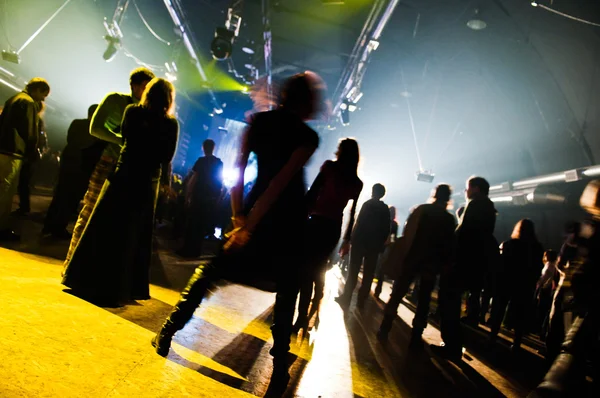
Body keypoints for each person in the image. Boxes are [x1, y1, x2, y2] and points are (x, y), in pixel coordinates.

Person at [151, 72, 325, 391]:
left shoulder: (258, 123)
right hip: (287, 220)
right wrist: (250, 221)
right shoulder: (308, 137)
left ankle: (167, 331)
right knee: (286, 290)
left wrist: (240, 218)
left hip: (254, 210)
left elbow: (240, 169)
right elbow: (282, 182)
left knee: (212, 272)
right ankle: (279, 367)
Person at [62, 78, 179, 305]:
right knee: (133, 235)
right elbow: (166, 157)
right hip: (146, 182)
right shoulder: (170, 124)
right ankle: (123, 289)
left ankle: (86, 279)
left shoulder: (132, 111)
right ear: (169, 99)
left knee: (105, 227)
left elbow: (125, 138)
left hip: (122, 175)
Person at [64, 67, 155, 265]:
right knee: (89, 211)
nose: (148, 92)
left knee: (112, 221)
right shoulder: (115, 100)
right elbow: (95, 128)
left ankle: (90, 268)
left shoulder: (147, 111)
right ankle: (71, 264)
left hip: (129, 169)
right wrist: (123, 141)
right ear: (134, 85)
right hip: (108, 163)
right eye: (145, 87)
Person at [294, 138, 363, 333]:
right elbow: (352, 212)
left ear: (340, 151)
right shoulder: (356, 182)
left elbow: (313, 191)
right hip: (334, 228)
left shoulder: (329, 168)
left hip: (315, 221)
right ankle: (316, 302)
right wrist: (347, 238)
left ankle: (301, 316)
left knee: (306, 267)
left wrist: (301, 215)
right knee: (320, 266)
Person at [377, 184, 456, 347]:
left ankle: (385, 327)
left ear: (434, 195)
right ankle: (416, 335)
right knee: (424, 300)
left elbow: (408, 234)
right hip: (432, 264)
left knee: (398, 293)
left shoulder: (422, 210)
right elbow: (449, 246)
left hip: (413, 258)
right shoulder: (449, 219)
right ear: (448, 198)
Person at [432, 176, 498, 361]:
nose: (465, 191)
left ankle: (451, 346)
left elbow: (465, 235)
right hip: (470, 263)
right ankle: (453, 345)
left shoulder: (477, 204)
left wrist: (451, 259)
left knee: (449, 303)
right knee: (452, 303)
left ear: (476, 189)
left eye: (468, 188)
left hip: (462, 263)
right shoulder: (488, 207)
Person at [42, 105, 103, 238]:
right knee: (71, 199)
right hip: (81, 167)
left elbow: (70, 139)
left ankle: (48, 225)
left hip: (68, 162)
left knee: (59, 195)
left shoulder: (77, 123)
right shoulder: (97, 130)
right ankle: (58, 229)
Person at [0, 78, 50, 240]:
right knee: (5, 192)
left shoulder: (13, 99)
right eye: (43, 94)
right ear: (36, 89)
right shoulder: (28, 102)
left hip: (3, 149)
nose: (43, 99)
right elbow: (29, 132)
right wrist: (32, 151)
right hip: (13, 151)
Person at [489, 219, 544, 352]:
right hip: (525, 284)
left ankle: (492, 336)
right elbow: (538, 267)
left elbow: (501, 264)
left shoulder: (509, 244)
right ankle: (517, 342)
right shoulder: (537, 247)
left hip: (506, 282)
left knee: (499, 310)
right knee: (520, 313)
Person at [336, 183, 390, 309]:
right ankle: (362, 300)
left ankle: (346, 298)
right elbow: (386, 229)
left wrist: (351, 240)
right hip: (374, 245)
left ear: (373, 191)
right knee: (368, 274)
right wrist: (380, 244)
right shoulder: (384, 209)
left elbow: (359, 222)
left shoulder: (367, 204)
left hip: (360, 242)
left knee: (353, 272)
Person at [178, 139, 224, 257]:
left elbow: (194, 179)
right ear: (214, 148)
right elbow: (220, 181)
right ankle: (196, 251)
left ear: (203, 148)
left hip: (198, 195)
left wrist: (188, 194)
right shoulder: (219, 163)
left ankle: (187, 249)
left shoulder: (201, 161)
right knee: (201, 225)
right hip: (210, 198)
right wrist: (219, 197)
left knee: (192, 223)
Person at [16, 101, 48, 216]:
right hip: (31, 155)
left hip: (27, 155)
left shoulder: (35, 121)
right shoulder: (39, 121)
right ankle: (24, 207)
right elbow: (43, 140)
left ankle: (24, 207)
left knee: (22, 182)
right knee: (24, 182)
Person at [374, 205, 399, 299]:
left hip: (379, 246)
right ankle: (378, 290)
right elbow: (394, 238)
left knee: (376, 266)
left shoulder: (381, 221)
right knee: (381, 269)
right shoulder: (395, 224)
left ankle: (369, 287)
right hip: (387, 248)